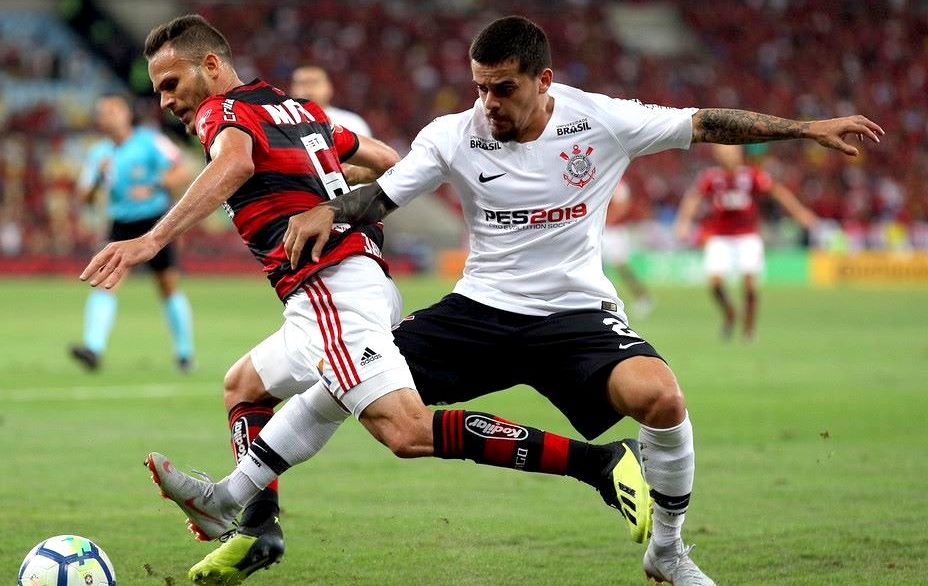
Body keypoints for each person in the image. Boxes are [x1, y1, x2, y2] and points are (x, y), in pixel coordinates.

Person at [281, 15, 883, 586]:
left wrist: (802, 129)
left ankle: (668, 550)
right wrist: (330, 211)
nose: (489, 103)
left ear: (544, 81)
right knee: (345, 382)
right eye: (480, 88)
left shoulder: (601, 120)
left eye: (503, 89)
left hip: (575, 313)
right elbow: (380, 198)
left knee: (662, 397)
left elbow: (704, 123)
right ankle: (240, 497)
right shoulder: (452, 134)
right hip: (479, 310)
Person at [80, 14, 651, 586]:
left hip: (329, 291)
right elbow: (380, 157)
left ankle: (599, 465)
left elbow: (235, 162)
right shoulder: (291, 108)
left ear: (210, 66)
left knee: (405, 431)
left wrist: (151, 239)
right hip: (353, 282)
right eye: (158, 91)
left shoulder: (220, 113)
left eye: (171, 84)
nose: (166, 102)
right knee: (244, 386)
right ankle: (255, 524)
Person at [69, 93, 196, 372]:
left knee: (167, 285)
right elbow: (85, 197)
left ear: (127, 114)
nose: (109, 116)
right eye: (103, 112)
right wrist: (99, 179)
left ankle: (185, 354)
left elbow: (182, 170)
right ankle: (93, 348)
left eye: (114, 110)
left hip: (155, 223)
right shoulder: (99, 154)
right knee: (106, 282)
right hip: (121, 225)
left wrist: (154, 184)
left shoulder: (150, 140)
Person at [673, 144, 819, 341]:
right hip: (720, 237)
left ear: (739, 154)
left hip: (747, 236)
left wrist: (800, 212)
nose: (726, 156)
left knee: (750, 284)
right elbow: (693, 197)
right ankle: (730, 313)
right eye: (723, 153)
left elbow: (778, 192)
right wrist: (683, 223)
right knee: (715, 283)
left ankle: (748, 328)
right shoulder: (711, 177)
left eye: (730, 152)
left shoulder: (751, 175)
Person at [603, 179, 654, 318]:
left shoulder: (618, 184)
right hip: (601, 230)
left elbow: (622, 205)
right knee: (600, 267)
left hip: (614, 231)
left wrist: (606, 220)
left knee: (621, 267)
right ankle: (604, 300)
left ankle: (642, 297)